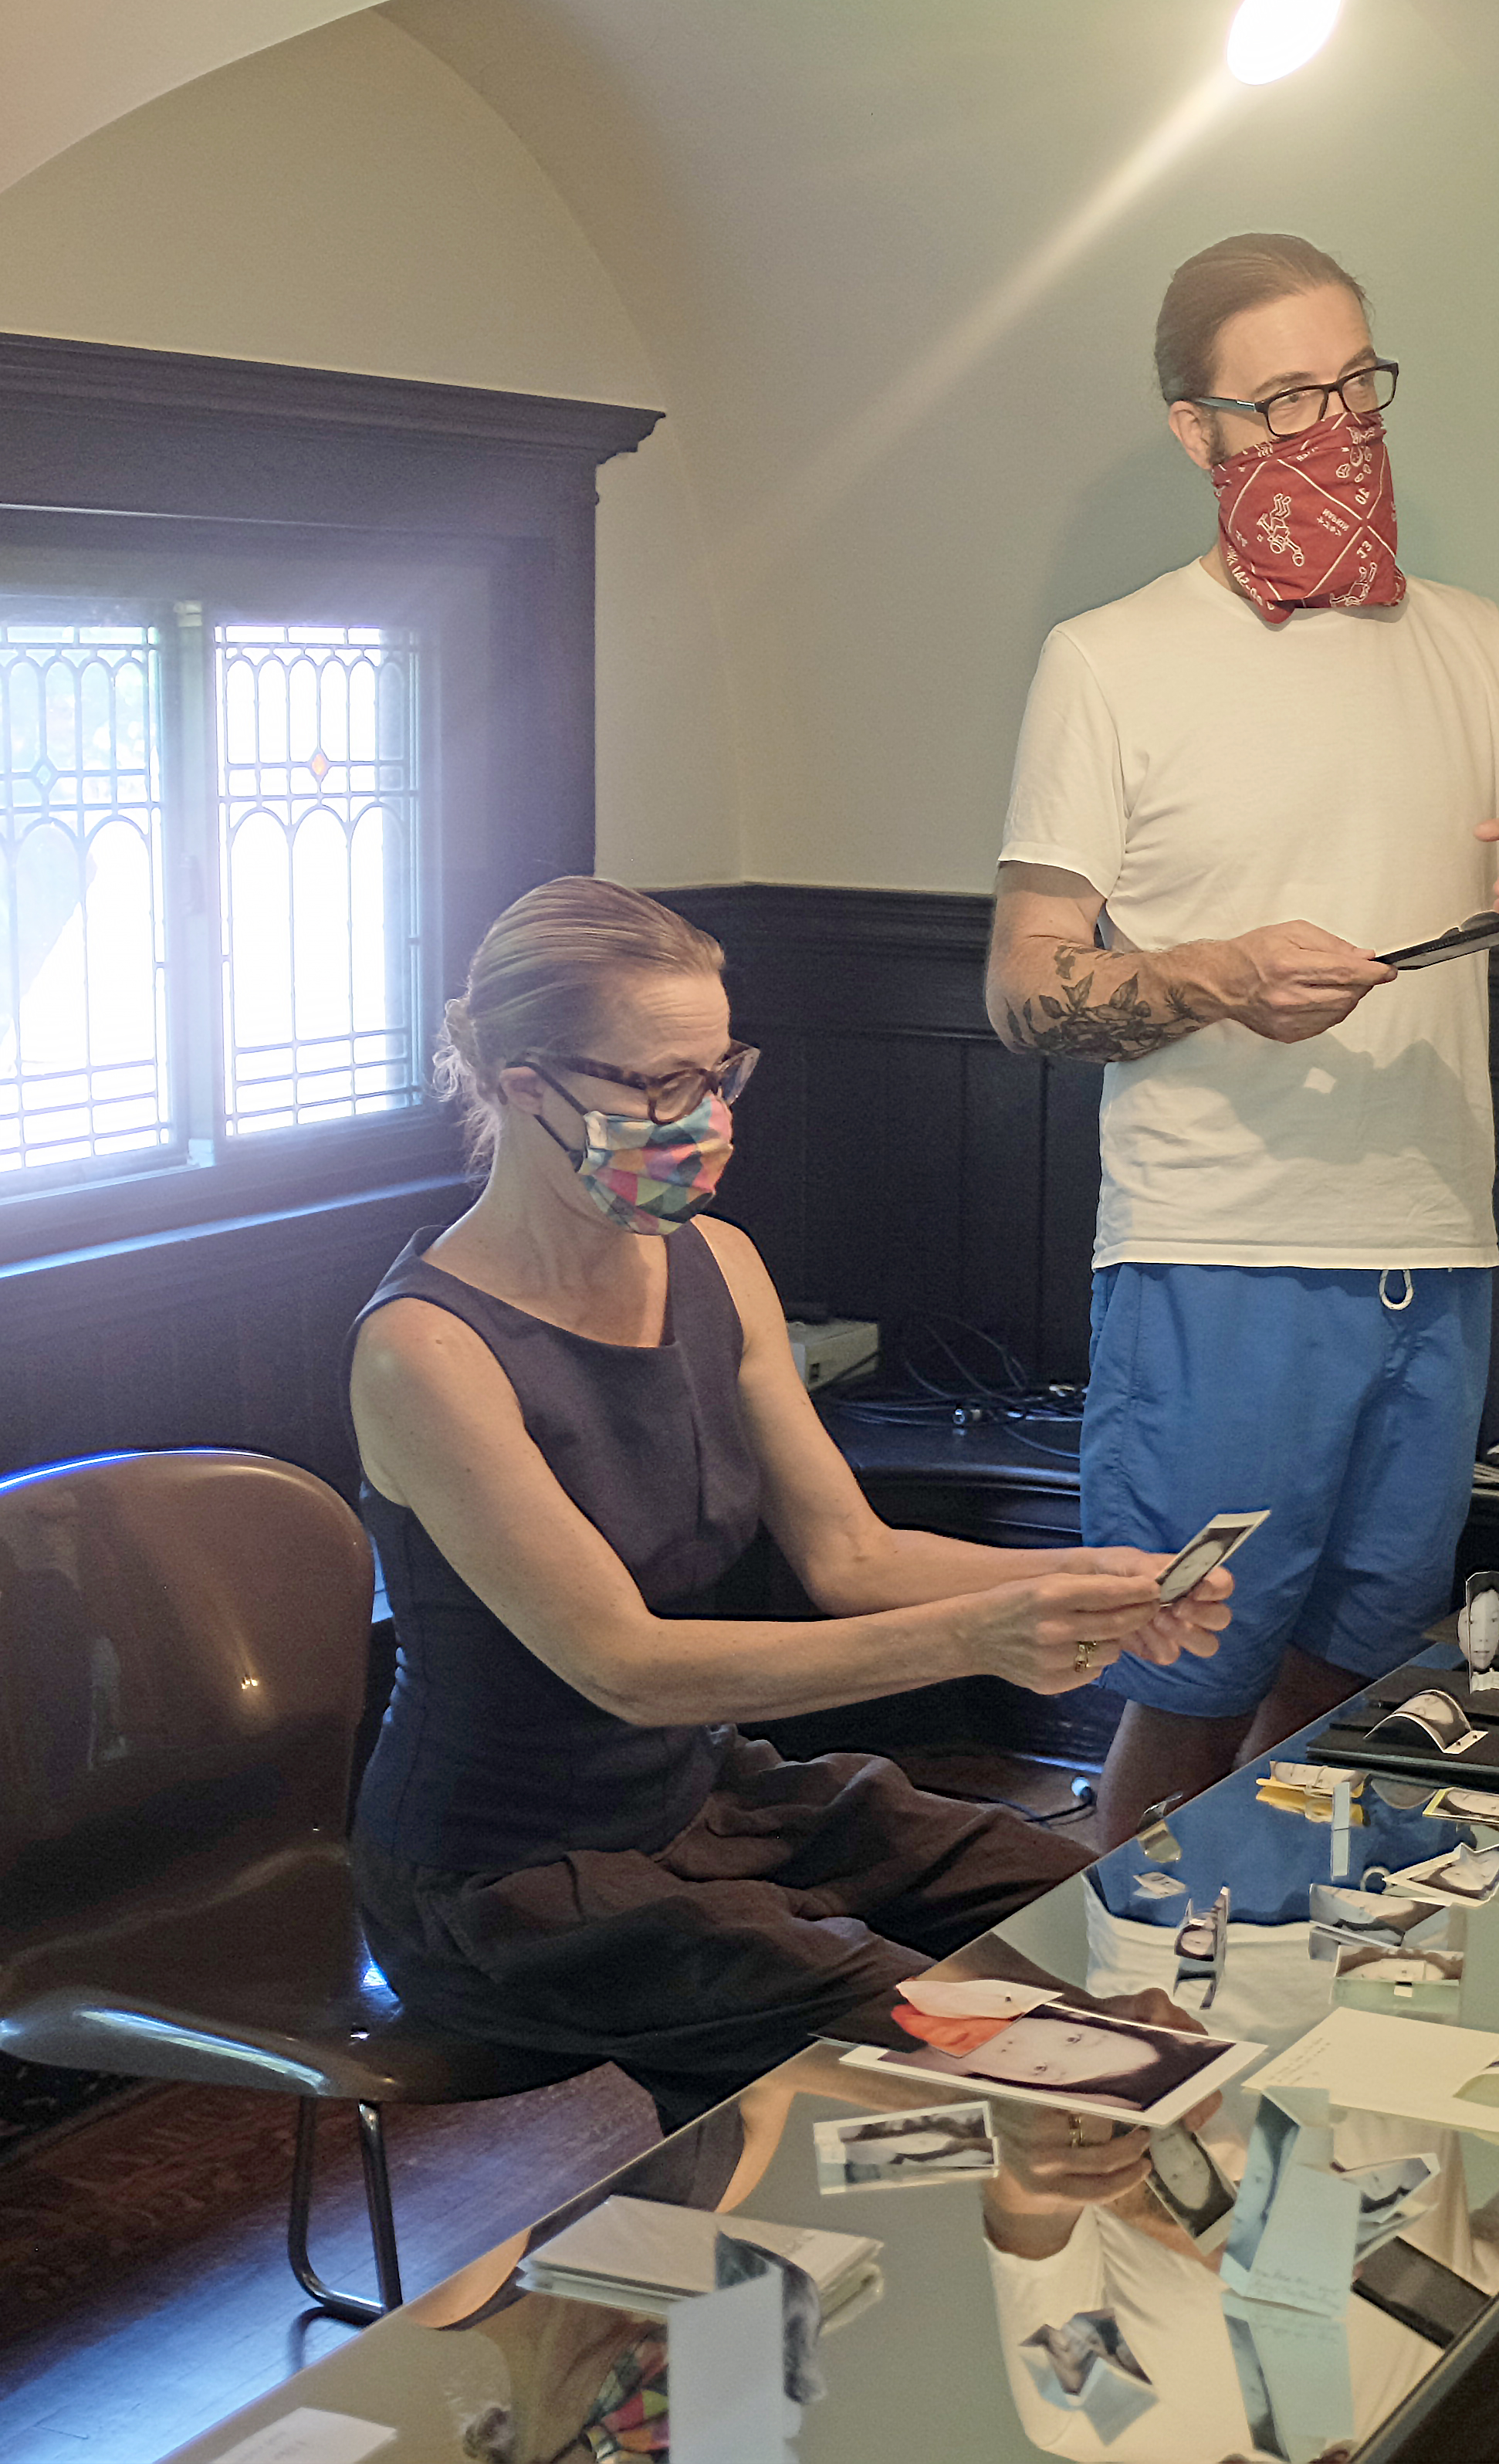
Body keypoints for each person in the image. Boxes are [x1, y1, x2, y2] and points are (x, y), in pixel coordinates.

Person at [987, 232, 1499, 1845]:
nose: (1332, 428)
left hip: (1436, 1248)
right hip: (1221, 1258)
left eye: (1355, 385)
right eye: (1284, 400)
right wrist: (1217, 976)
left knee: (1355, 1692)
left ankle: (1282, 1959)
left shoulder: (1486, 645)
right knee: (1191, 1686)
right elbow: (1026, 987)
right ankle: (1126, 1974)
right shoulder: (1111, 661)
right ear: (1196, 431)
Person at [348, 877, 1233, 2131]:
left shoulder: (717, 1261)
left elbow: (853, 1555)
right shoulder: (425, 1351)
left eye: (719, 1076)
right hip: (508, 1879)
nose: (706, 1120)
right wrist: (980, 1635)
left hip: (704, 1801)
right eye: (662, 1085)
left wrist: (1093, 1578)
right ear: (522, 1082)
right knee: (1011, 2053)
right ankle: (774, 2237)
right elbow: (627, 1667)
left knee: (1111, 1906)